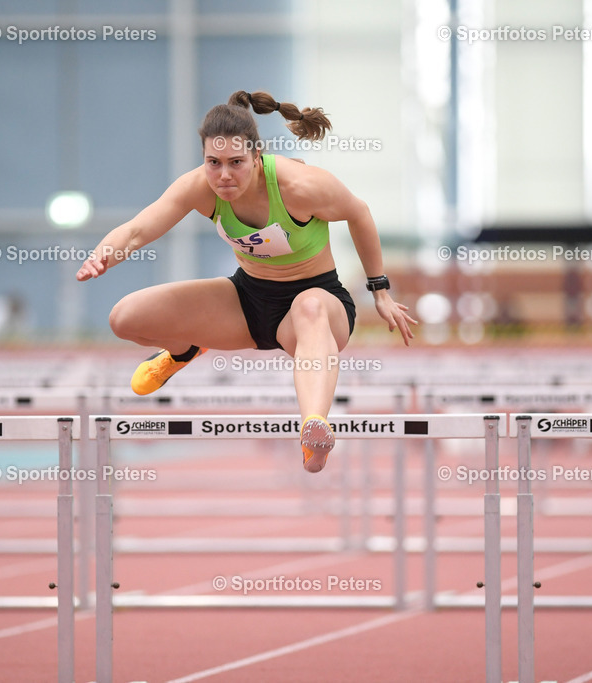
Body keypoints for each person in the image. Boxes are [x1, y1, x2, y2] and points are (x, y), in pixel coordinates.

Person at [77, 90, 415, 473]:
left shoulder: (299, 186)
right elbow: (139, 229)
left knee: (309, 306)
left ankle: (314, 428)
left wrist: (380, 290)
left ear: (257, 157)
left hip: (317, 305)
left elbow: (360, 213)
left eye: (236, 163)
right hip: (247, 299)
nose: (224, 176)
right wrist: (103, 254)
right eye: (213, 163)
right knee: (125, 317)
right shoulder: (200, 187)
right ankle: (183, 351)